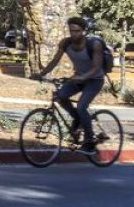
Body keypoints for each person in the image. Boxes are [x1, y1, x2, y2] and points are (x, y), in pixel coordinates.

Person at [33, 14, 109, 150]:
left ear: (84, 31)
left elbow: (96, 67)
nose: (74, 34)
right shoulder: (65, 43)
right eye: (71, 31)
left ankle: (89, 140)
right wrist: (41, 74)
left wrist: (83, 77)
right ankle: (78, 119)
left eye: (77, 31)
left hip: (95, 80)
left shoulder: (94, 44)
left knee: (81, 106)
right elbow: (55, 60)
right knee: (60, 96)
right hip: (78, 79)